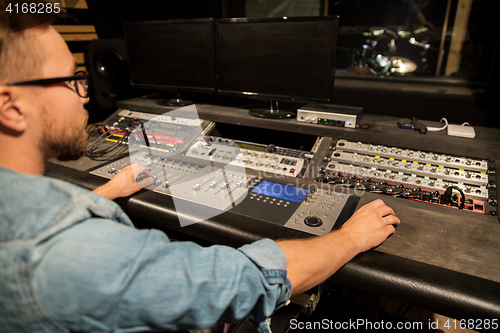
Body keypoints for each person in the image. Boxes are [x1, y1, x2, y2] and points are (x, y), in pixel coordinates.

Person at [0, 3, 400, 332]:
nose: (84, 96)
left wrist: (106, 191)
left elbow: (36, 225)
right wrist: (350, 237)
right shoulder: (70, 254)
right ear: (11, 107)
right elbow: (247, 281)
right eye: (72, 81)